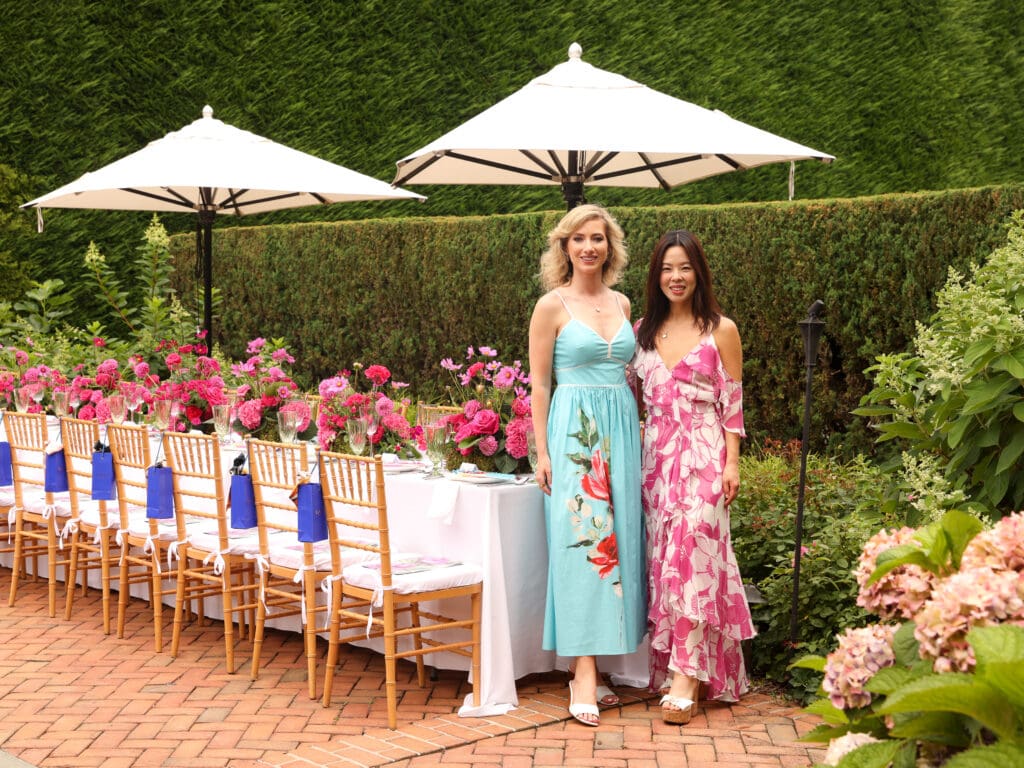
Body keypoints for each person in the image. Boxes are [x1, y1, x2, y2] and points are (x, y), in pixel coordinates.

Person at [630, 229, 755, 725]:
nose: (675, 277)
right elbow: (633, 401)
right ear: (655, 276)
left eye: (684, 267)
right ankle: (688, 669)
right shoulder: (642, 332)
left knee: (695, 557)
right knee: (667, 561)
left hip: (704, 455)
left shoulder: (721, 329)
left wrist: (732, 462)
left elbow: (734, 404)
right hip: (656, 462)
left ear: (699, 272)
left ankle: (685, 675)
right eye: (667, 268)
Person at [528, 204, 646, 727]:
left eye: (597, 238)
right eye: (578, 239)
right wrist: (542, 452)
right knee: (584, 544)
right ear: (565, 247)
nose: (588, 247)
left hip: (622, 430)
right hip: (575, 432)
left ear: (610, 246)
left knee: (621, 541)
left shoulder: (622, 302)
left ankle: (598, 662)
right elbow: (539, 384)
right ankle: (583, 672)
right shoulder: (550, 306)